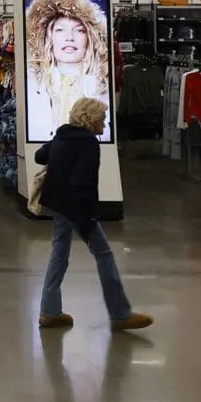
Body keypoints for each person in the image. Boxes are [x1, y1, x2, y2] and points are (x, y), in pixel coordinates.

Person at [35, 97, 151, 332]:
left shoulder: (62, 136)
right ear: (91, 120)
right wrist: (89, 218)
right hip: (76, 208)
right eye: (102, 120)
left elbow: (40, 156)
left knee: (59, 254)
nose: (104, 125)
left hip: (57, 204)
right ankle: (120, 313)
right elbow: (83, 183)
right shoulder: (88, 143)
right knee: (104, 255)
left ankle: (50, 311)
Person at [24, 0, 110, 143]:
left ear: (90, 37)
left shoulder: (103, 86)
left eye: (79, 30)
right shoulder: (31, 85)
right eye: (60, 30)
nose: (69, 37)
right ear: (47, 37)